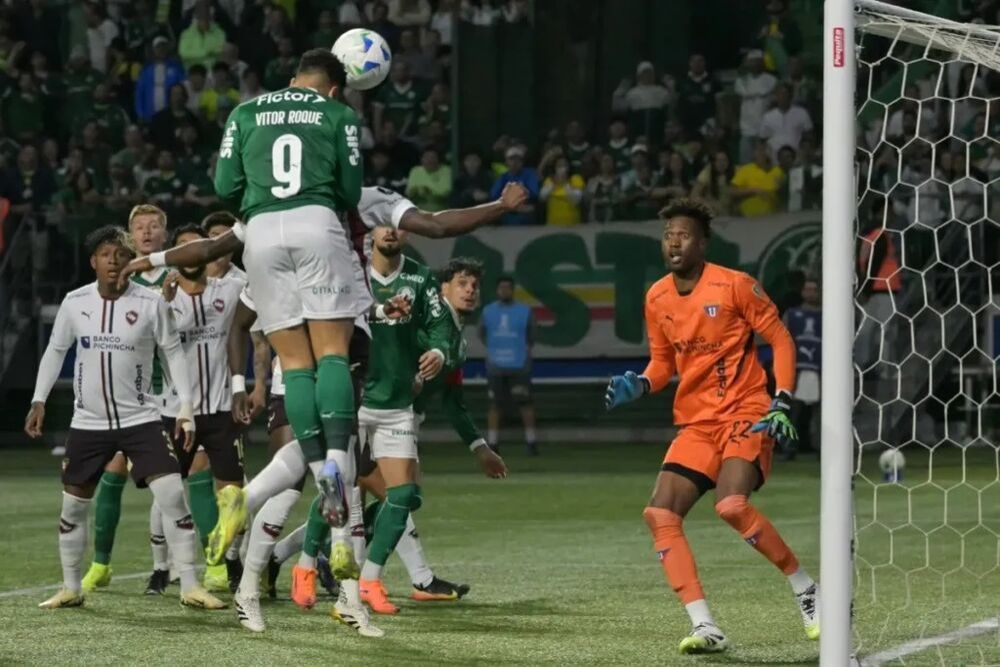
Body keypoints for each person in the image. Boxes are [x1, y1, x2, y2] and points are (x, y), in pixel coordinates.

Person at [604, 198, 818, 654]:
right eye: (667, 236)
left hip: (747, 410)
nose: (673, 242)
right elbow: (663, 364)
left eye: (683, 235)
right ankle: (705, 626)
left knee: (731, 506)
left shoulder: (735, 285)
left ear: (702, 243)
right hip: (697, 422)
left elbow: (779, 338)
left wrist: (782, 400)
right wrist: (641, 385)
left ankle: (806, 589)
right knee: (659, 514)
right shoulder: (657, 296)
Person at [25, 225, 225, 611]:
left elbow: (173, 354)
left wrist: (185, 406)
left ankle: (190, 585)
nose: (113, 262)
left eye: (120, 255)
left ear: (130, 261)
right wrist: (39, 399)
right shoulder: (74, 301)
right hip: (88, 423)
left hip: (141, 419)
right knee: (73, 506)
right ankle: (71, 587)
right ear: (93, 262)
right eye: (105, 255)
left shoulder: (151, 304)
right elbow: (54, 351)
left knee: (171, 496)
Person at [355, 243, 507, 615]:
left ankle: (298, 554)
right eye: (461, 283)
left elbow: (453, 401)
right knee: (398, 498)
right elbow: (388, 348)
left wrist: (479, 446)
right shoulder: (423, 328)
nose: (469, 290)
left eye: (474, 285)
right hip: (377, 415)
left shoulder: (457, 342)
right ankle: (419, 579)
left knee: (401, 500)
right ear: (441, 290)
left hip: (404, 422)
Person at [143, 223, 248, 595]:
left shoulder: (233, 288)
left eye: (197, 246)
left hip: (221, 409)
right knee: (168, 494)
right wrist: (165, 303)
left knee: (235, 493)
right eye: (182, 248)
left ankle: (230, 557)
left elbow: (257, 319)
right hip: (176, 413)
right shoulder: (158, 301)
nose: (191, 254)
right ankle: (162, 567)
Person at [78, 204, 173, 594]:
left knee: (170, 486)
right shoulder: (117, 278)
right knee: (112, 475)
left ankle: (178, 566)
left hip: (165, 398)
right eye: (139, 227)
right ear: (130, 236)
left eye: (153, 226)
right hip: (124, 399)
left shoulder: (177, 275)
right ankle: (101, 563)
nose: (146, 233)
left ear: (164, 235)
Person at [481, 275, 537, 455]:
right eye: (501, 288)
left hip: (519, 365)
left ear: (513, 290)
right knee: (494, 405)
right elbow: (482, 333)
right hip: (495, 366)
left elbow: (532, 335)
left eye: (508, 288)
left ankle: (531, 442)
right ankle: (493, 443)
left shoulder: (525, 311)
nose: (504, 291)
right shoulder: (488, 311)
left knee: (525, 404)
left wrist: (522, 350)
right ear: (497, 290)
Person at [781, 277, 821, 460]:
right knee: (793, 410)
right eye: (808, 289)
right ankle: (789, 448)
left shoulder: (828, 315)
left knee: (821, 412)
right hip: (796, 367)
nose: (811, 293)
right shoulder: (792, 314)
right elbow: (782, 340)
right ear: (803, 292)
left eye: (814, 289)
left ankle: (822, 447)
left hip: (821, 368)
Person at [731, 140, 784, 217]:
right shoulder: (746, 169)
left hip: (772, 217)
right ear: (754, 153)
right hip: (749, 218)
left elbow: (782, 195)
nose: (762, 153)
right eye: (759, 150)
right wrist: (753, 190)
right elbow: (732, 192)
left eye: (764, 150)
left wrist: (780, 189)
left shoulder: (777, 170)